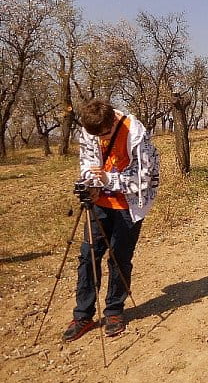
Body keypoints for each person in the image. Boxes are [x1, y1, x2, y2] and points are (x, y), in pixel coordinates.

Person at [63, 99, 160, 342]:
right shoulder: (90, 131)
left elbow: (146, 177)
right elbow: (87, 164)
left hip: (129, 206)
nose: (101, 138)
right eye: (96, 135)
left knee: (119, 257)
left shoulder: (136, 134)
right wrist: (90, 183)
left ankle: (114, 310)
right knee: (88, 257)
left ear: (113, 121)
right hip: (98, 206)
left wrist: (109, 180)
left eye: (105, 133)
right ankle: (83, 314)